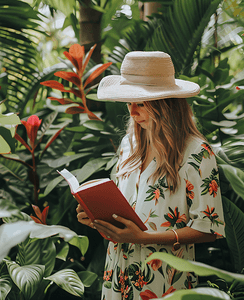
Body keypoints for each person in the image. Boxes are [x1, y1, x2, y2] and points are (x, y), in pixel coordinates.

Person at [76, 51, 225, 300]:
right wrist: (96, 218)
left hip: (165, 280)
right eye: (129, 102)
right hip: (117, 273)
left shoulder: (197, 153)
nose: (132, 112)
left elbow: (209, 228)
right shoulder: (129, 144)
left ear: (165, 104)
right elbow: (124, 209)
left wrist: (143, 238)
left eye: (140, 103)